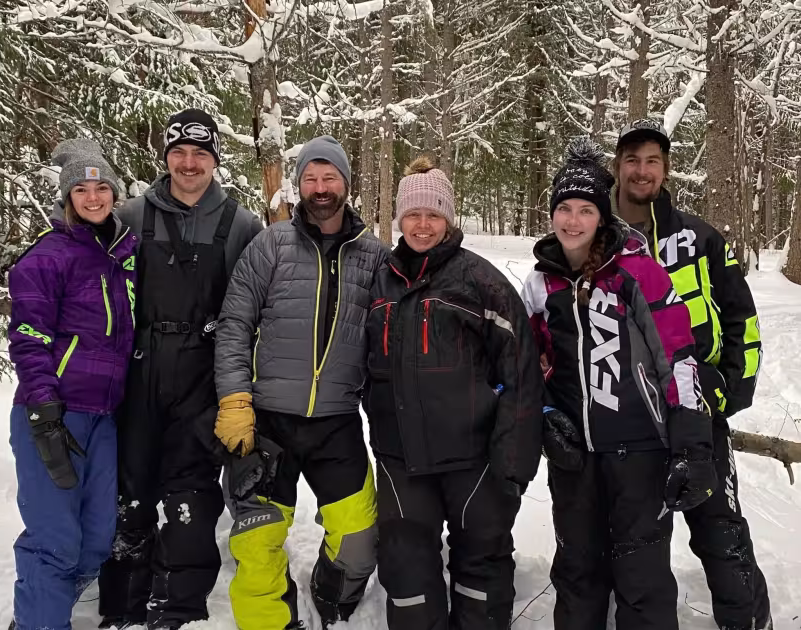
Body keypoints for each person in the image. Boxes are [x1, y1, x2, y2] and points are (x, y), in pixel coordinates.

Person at [522, 138, 716, 630]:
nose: (572, 220)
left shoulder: (639, 271)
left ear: (602, 216)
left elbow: (680, 358)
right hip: (575, 456)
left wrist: (692, 446)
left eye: (585, 209)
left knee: (642, 578)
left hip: (641, 454)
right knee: (578, 574)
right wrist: (546, 419)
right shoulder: (541, 282)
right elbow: (525, 367)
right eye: (563, 208)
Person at [97, 109, 263, 630]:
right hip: (139, 368)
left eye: (200, 154)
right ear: (166, 156)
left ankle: (180, 607)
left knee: (190, 492)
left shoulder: (240, 223)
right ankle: (124, 603)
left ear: (214, 160)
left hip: (203, 373)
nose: (189, 164)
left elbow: (260, 304)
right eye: (179, 153)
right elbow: (84, 270)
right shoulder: (129, 214)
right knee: (133, 488)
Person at [214, 135, 386, 630]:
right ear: (299, 186)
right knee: (256, 541)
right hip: (268, 422)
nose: (320, 187)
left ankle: (332, 596)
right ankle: (271, 621)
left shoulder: (372, 256)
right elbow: (234, 326)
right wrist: (235, 399)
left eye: (329, 177)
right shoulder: (270, 245)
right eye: (310, 177)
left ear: (346, 184)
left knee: (359, 541)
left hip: (336, 423)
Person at [363, 156, 544, 630]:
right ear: (400, 218)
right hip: (401, 462)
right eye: (414, 215)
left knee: (481, 572)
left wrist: (514, 463)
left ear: (449, 218)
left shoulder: (481, 282)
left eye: (434, 214)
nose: (423, 225)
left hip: (474, 461)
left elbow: (522, 372)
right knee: (405, 575)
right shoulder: (378, 281)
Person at [613, 119, 771, 630]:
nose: (642, 170)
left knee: (719, 531)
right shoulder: (598, 235)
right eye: (632, 159)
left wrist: (727, 391)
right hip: (630, 421)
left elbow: (741, 319)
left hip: (699, 414)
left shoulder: (700, 238)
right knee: (634, 541)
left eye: (652, 161)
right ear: (617, 167)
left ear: (666, 169)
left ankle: (748, 621)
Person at [7, 139, 137, 630]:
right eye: (81, 188)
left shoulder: (122, 254)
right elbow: (28, 335)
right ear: (68, 197)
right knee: (55, 538)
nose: (93, 196)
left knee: (98, 538)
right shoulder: (49, 254)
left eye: (101, 186)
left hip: (103, 415)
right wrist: (42, 405)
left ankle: (43, 611)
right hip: (52, 412)